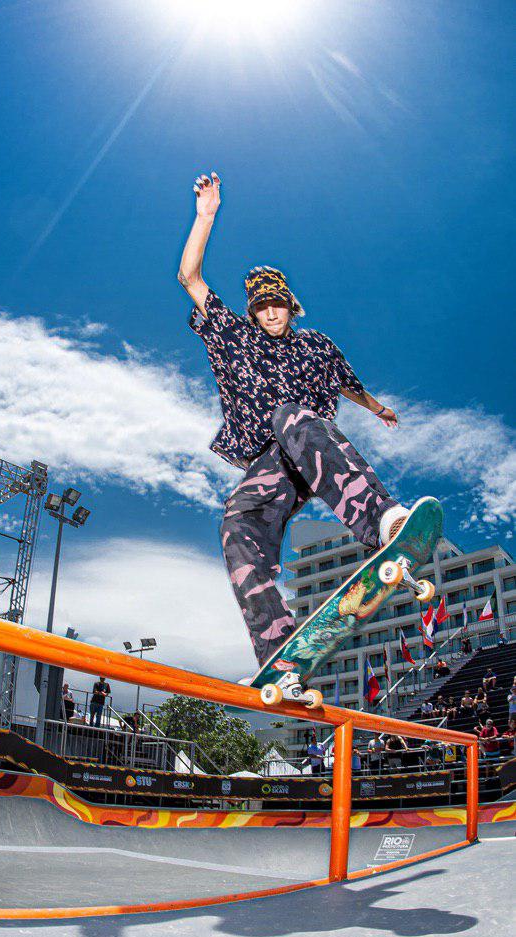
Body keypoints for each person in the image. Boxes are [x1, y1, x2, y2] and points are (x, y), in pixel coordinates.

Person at [179, 172, 418, 693]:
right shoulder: (232, 335)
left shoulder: (315, 345)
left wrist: (378, 408)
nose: (271, 313)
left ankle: (382, 519)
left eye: (278, 305)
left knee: (290, 415)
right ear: (253, 310)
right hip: (270, 464)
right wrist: (205, 218)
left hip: (312, 447)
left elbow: (348, 384)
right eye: (263, 306)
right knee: (236, 520)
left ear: (291, 305)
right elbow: (191, 279)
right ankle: (279, 654)